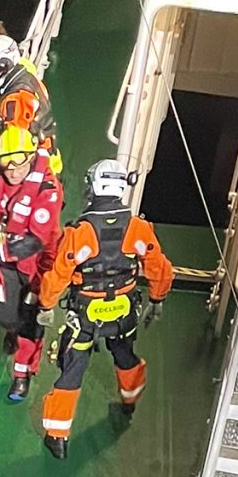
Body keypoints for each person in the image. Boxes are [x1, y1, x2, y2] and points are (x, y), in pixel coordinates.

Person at [36, 160, 173, 457]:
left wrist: (46, 305)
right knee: (125, 355)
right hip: (123, 312)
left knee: (73, 368)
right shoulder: (138, 229)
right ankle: (129, 401)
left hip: (85, 315)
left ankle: (57, 436)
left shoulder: (79, 233)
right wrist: (157, 300)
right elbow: (159, 268)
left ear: (94, 187)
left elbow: (58, 274)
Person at [0, 124, 64, 401]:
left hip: (37, 266)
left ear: (32, 156)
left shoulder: (47, 190)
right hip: (8, 262)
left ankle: (23, 374)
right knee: (2, 313)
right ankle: (12, 328)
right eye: (5, 162)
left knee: (30, 322)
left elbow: (34, 241)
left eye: (18, 162)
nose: (12, 169)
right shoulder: (0, 176)